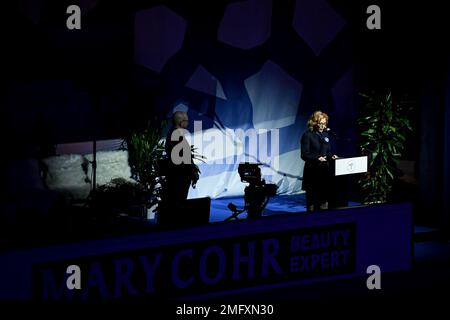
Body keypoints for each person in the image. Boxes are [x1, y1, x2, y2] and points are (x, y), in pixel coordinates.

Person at [300, 111, 338, 212]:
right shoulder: (307, 135)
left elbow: (327, 152)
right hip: (312, 172)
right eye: (321, 123)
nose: (323, 125)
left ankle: (324, 222)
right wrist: (317, 158)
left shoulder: (325, 134)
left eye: (325, 123)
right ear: (314, 123)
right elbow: (304, 154)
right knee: (312, 203)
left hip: (324, 172)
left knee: (324, 202)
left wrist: (331, 156)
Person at [163, 111, 199, 204]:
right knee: (179, 201)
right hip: (180, 177)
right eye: (186, 120)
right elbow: (183, 158)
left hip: (179, 175)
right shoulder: (176, 135)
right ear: (181, 122)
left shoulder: (174, 134)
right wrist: (192, 172)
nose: (188, 122)